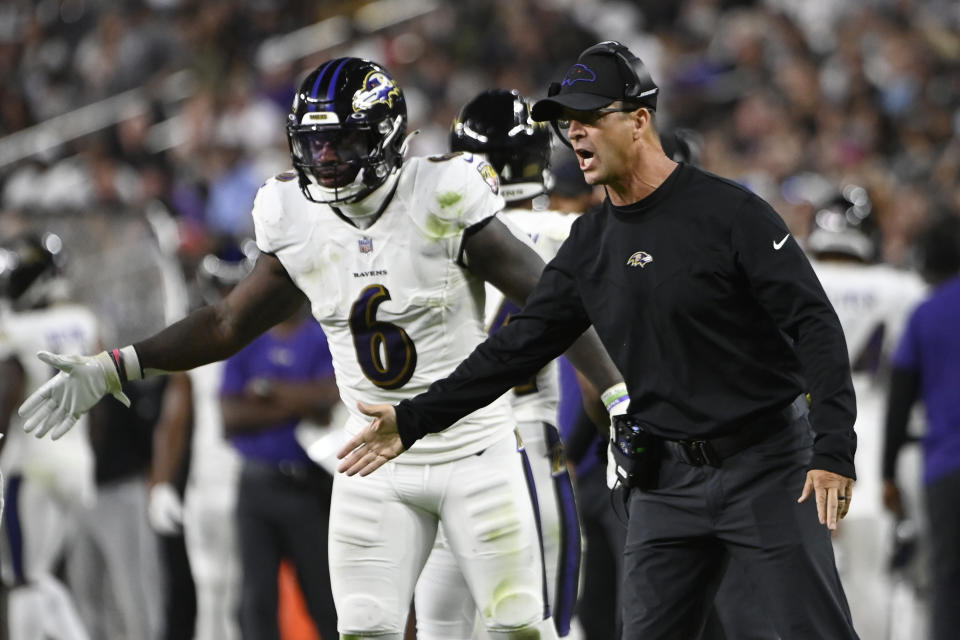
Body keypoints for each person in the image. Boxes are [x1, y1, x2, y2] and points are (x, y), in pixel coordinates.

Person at [17, 57, 620, 640]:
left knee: (518, 627)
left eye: (342, 142)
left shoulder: (440, 194)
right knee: (363, 628)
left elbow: (552, 304)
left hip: (474, 448)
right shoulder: (295, 214)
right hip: (372, 458)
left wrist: (616, 396)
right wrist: (117, 364)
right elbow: (228, 321)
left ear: (384, 139)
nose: (325, 158)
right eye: (314, 142)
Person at [338, 41, 861, 640]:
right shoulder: (589, 243)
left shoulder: (731, 214)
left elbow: (813, 323)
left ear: (639, 120)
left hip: (766, 465)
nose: (574, 134)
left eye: (589, 118)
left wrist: (833, 448)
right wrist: (413, 420)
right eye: (566, 124)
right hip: (665, 482)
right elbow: (515, 350)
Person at [413, 89, 583, 639]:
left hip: (437, 454)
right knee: (541, 627)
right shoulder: (569, 234)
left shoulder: (423, 237)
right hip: (525, 451)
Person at [804, 182, 927, 640]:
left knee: (799, 570)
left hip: (800, 426)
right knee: (869, 573)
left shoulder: (791, 270)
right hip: (868, 427)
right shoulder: (898, 288)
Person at [148, 244, 251, 640]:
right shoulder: (198, 339)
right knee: (212, 596)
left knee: (249, 598)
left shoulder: (272, 332)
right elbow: (174, 420)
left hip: (258, 481)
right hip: (212, 485)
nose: (226, 297)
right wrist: (161, 482)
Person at [221, 299, 340, 640]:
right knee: (256, 602)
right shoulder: (246, 337)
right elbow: (231, 416)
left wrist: (267, 390)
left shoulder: (320, 336)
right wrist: (299, 403)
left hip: (309, 486)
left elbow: (328, 399)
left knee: (325, 599)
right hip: (257, 486)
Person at [0, 232, 93, 640]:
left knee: (22, 580)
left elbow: (6, 394)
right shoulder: (83, 322)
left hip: (30, 465)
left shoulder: (16, 328)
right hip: (77, 460)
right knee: (42, 578)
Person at [882, 215, 960, 640]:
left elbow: (899, 402)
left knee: (947, 580)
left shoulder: (925, 315)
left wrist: (888, 473)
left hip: (946, 466)